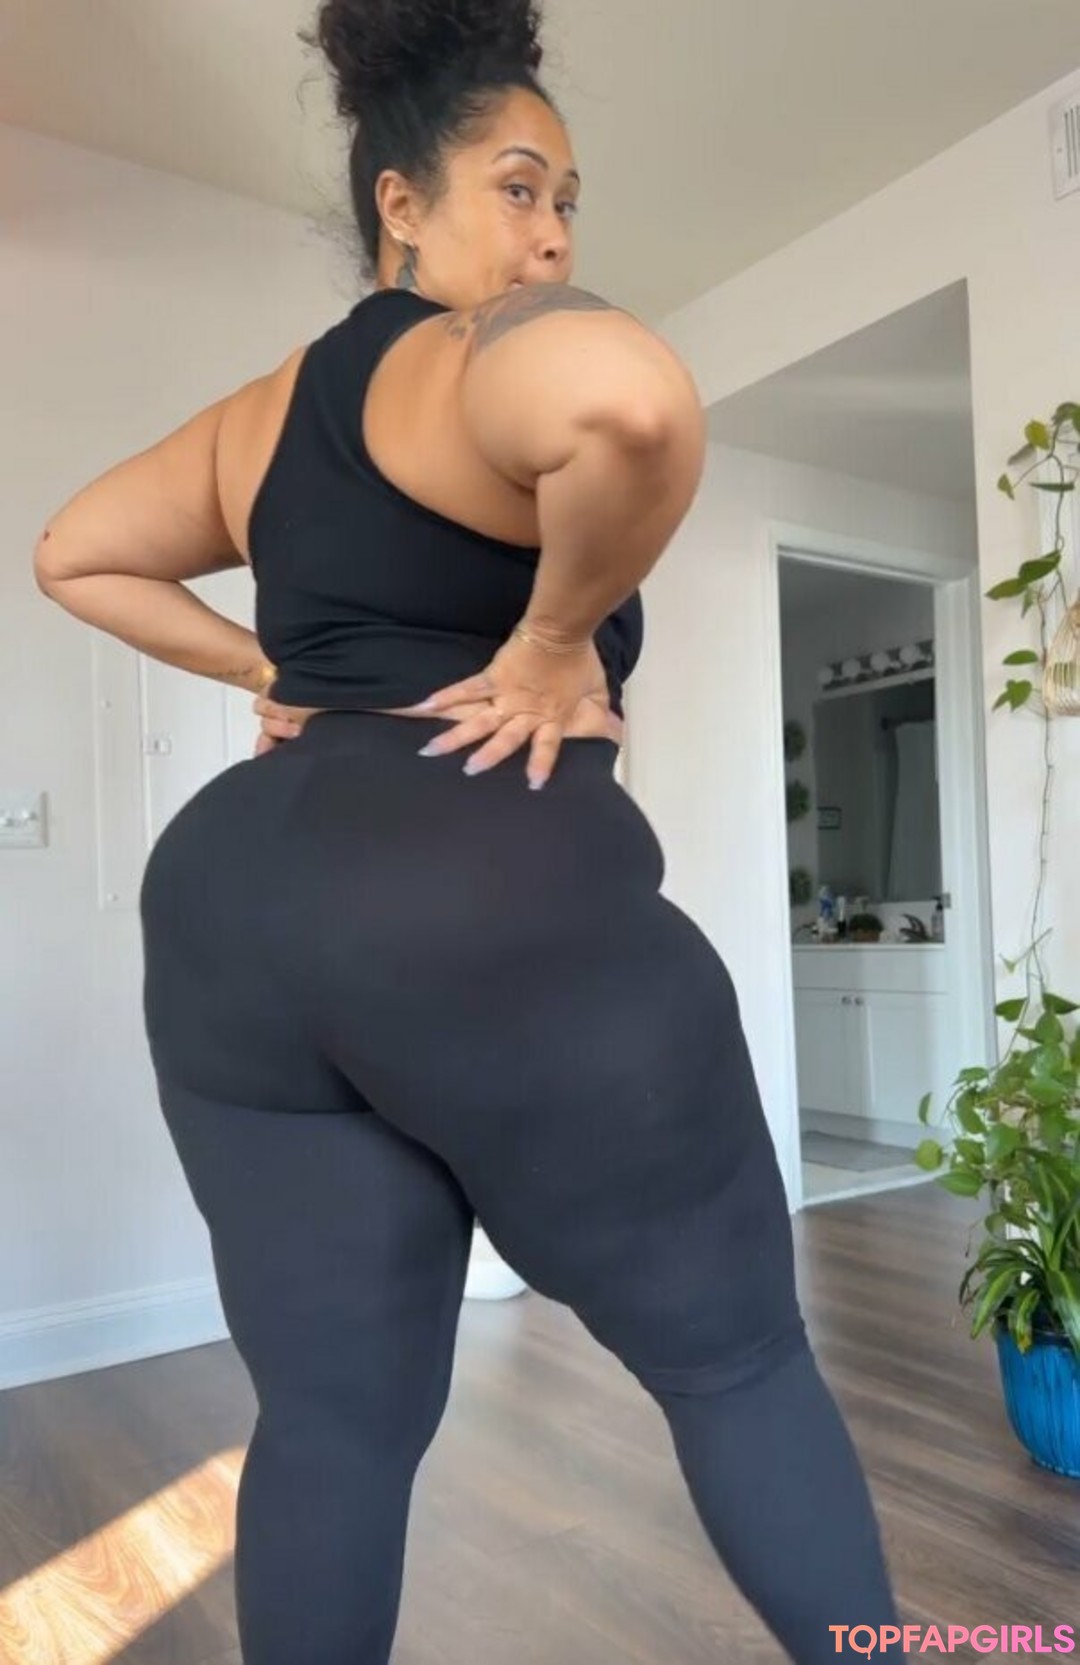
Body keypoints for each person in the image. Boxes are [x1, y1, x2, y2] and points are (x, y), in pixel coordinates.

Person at [33, 1, 904, 1660]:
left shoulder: (260, 418)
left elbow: (73, 551)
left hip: (229, 913)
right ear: (402, 206)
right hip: (473, 882)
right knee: (735, 1358)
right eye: (518, 188)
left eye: (567, 200)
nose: (555, 235)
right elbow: (634, 406)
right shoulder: (468, 352)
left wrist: (274, 671)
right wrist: (555, 637)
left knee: (332, 1418)